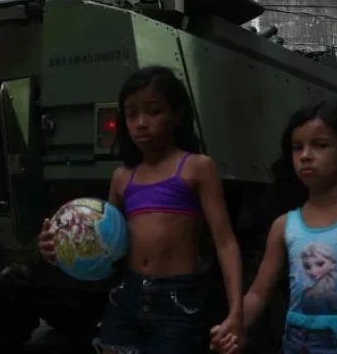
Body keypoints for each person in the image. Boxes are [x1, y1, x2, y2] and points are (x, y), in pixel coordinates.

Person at [38, 65, 245, 354]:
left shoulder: (197, 168)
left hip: (177, 301)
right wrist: (59, 249)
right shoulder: (123, 177)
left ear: (178, 114)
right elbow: (104, 245)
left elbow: (225, 243)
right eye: (132, 114)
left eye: (153, 111)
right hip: (126, 296)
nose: (141, 122)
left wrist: (237, 313)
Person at [211, 99, 337, 354]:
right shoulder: (285, 225)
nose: (306, 156)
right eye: (298, 147)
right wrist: (235, 323)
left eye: (321, 145)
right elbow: (258, 294)